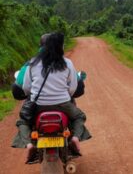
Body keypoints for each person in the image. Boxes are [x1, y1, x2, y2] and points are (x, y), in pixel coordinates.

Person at [11, 33, 91, 164]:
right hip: (63, 103)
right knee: (79, 116)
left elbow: (26, 88)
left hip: (37, 105)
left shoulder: (32, 63)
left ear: (42, 47)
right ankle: (75, 138)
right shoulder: (67, 62)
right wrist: (63, 95)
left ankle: (29, 145)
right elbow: (72, 88)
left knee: (23, 122)